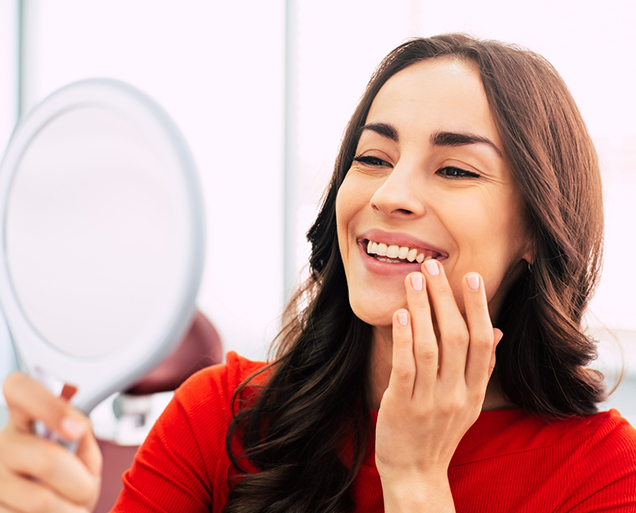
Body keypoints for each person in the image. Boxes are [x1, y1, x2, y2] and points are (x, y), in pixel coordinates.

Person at [1, 33, 635, 513]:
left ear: (535, 230)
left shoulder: (604, 473)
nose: (390, 193)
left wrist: (415, 479)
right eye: (372, 157)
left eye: (455, 170)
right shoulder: (217, 418)